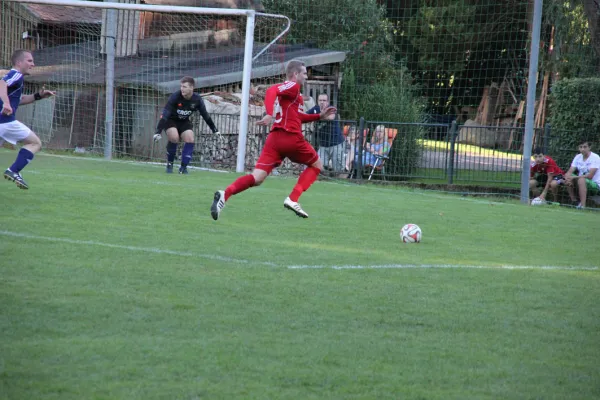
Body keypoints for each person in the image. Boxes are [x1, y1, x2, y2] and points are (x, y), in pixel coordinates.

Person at [210, 60, 336, 220]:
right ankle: (293, 198)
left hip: (275, 140)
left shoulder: (294, 96)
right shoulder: (293, 86)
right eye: (304, 73)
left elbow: (298, 117)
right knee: (317, 164)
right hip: (289, 137)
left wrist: (319, 116)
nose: (306, 76)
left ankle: (224, 194)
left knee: (257, 178)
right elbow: (271, 90)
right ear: (295, 74)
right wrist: (269, 113)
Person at [1, 49, 55, 190]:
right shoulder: (16, 75)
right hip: (5, 122)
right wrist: (6, 103)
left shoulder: (17, 79)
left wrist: (39, 96)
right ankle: (14, 170)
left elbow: (20, 100)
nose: (33, 64)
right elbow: (1, 84)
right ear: (19, 62)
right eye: (29, 60)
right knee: (35, 143)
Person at [153, 76, 220, 174]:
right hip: (171, 121)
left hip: (184, 122)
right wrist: (158, 131)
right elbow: (165, 114)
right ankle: (170, 164)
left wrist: (215, 130)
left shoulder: (197, 99)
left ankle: (183, 168)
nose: (182, 89)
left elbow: (205, 115)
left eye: (184, 87)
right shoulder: (175, 96)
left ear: (191, 88)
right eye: (181, 86)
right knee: (174, 137)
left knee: (190, 138)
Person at [306, 93, 345, 174]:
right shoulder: (315, 109)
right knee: (319, 167)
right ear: (317, 101)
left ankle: (340, 182)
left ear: (328, 102)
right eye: (320, 100)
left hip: (336, 144)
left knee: (339, 170)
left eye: (324, 100)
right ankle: (325, 181)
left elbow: (331, 117)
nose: (322, 102)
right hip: (323, 145)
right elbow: (305, 115)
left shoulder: (331, 108)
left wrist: (316, 117)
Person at [564, 139, 600, 209]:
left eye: (585, 147)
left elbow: (590, 176)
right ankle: (574, 201)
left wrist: (573, 178)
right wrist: (567, 178)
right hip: (581, 180)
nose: (582, 149)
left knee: (581, 179)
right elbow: (570, 170)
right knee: (568, 176)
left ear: (589, 147)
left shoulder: (596, 157)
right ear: (578, 148)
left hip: (595, 184)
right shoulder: (578, 157)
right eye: (581, 147)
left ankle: (583, 206)